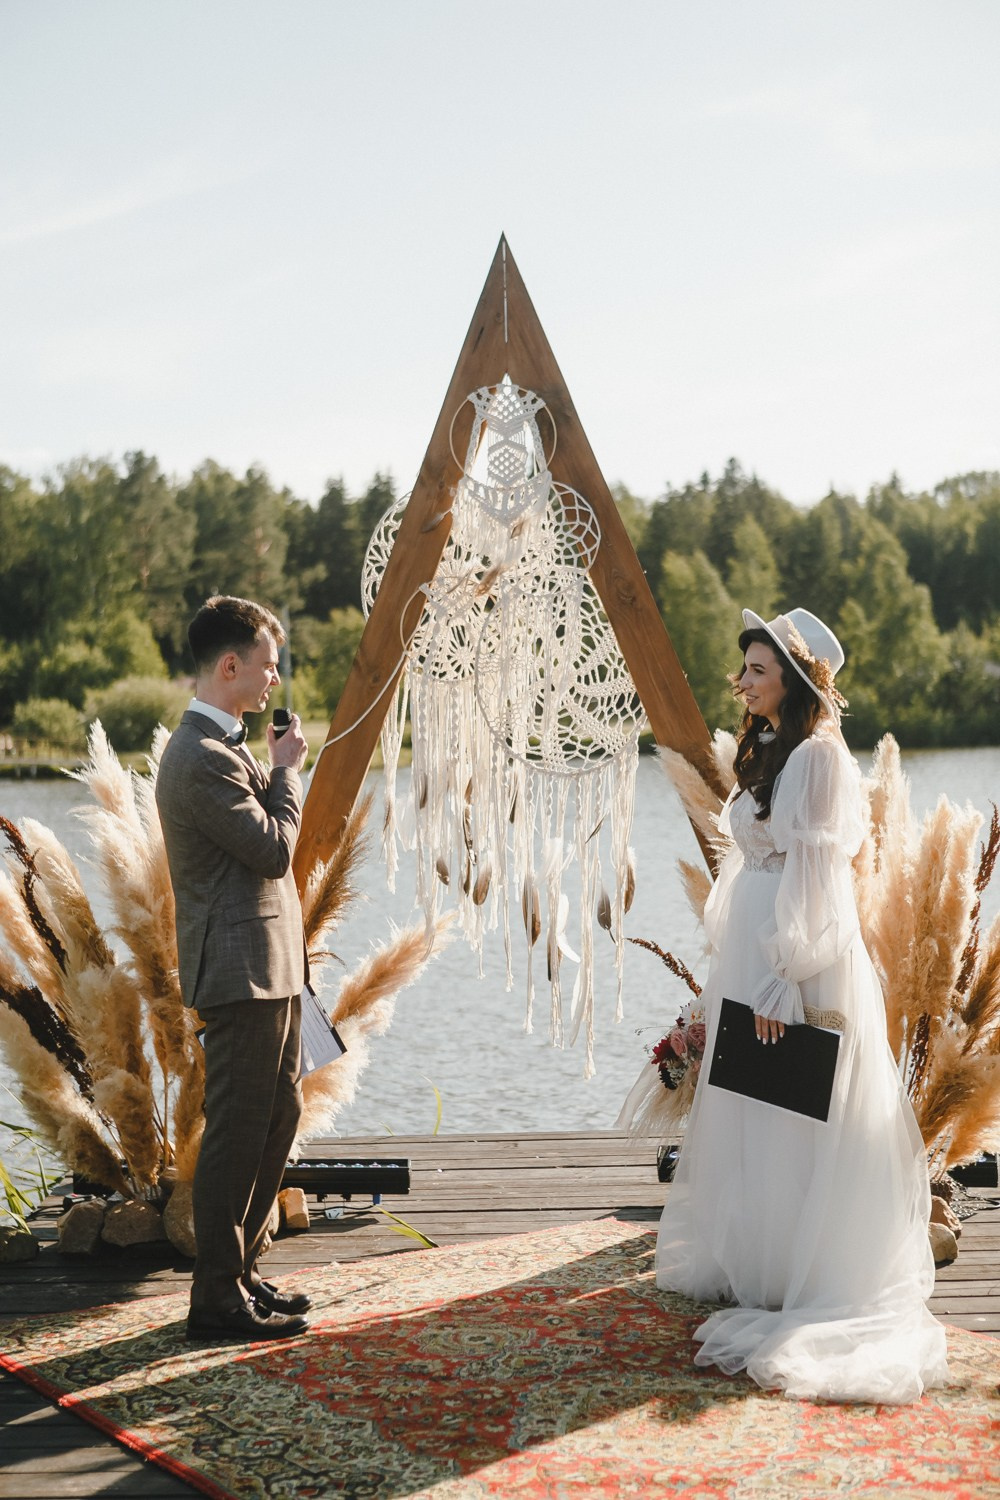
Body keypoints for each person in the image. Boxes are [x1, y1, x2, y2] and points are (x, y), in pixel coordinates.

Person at [620, 607, 949, 1403]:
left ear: (795, 681)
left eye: (759, 670)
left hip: (798, 955)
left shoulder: (821, 760)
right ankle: (763, 1260)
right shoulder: (768, 749)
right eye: (744, 670)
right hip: (754, 945)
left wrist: (784, 971)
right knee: (756, 1102)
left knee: (801, 1101)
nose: (743, 682)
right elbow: (754, 861)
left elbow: (821, 876)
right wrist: (732, 960)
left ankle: (811, 1269)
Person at [156, 595, 313, 1342]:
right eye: (267, 665)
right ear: (229, 666)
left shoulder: (231, 745)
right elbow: (274, 850)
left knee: (278, 1114)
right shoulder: (197, 758)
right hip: (239, 972)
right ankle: (213, 1300)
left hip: (273, 967)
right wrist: (287, 772)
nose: (274, 679)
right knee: (236, 1129)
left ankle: (243, 1271)